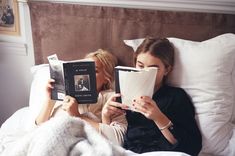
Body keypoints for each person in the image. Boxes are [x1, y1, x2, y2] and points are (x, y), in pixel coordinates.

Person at [109, 37, 202, 155]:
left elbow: (193, 147)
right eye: (140, 66)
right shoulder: (124, 93)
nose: (144, 72)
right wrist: (106, 116)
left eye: (153, 68)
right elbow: (117, 137)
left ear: (167, 70)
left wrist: (159, 117)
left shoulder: (176, 97)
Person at [35, 49, 127, 145]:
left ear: (107, 78)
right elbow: (38, 129)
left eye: (94, 71)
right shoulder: (65, 94)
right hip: (49, 138)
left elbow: (118, 139)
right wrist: (50, 101)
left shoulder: (111, 98)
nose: (86, 75)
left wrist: (77, 116)